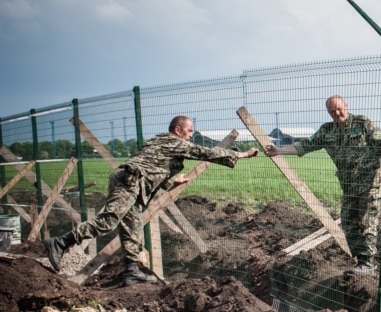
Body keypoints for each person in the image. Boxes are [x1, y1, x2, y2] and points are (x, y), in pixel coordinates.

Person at [43, 116, 257, 285]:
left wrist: (173, 180)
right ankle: (61, 242)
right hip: (129, 182)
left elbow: (152, 167)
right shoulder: (173, 141)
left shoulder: (161, 141)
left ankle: (132, 271)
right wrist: (243, 155)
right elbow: (203, 153)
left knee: (132, 228)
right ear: (178, 130)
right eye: (189, 131)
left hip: (134, 183)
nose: (191, 136)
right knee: (108, 222)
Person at [265, 95, 381, 276]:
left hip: (370, 182)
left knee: (367, 221)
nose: (337, 113)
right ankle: (362, 260)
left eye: (339, 109)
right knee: (348, 223)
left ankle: (368, 264)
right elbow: (305, 145)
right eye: (332, 111)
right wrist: (278, 150)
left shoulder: (363, 123)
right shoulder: (327, 130)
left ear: (346, 105)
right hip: (349, 186)